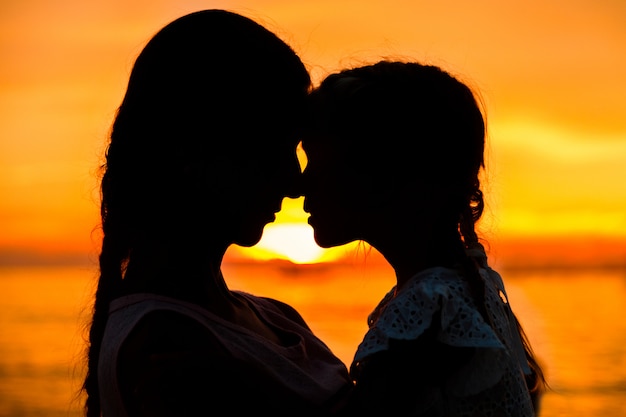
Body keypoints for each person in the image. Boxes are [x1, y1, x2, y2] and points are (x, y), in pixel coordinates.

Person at [82, 9, 353, 417]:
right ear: (196, 153)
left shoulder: (275, 316)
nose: (295, 181)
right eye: (276, 149)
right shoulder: (165, 344)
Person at [302, 61, 546, 416]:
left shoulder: (428, 315)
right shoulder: (465, 290)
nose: (301, 183)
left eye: (318, 161)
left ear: (385, 176)